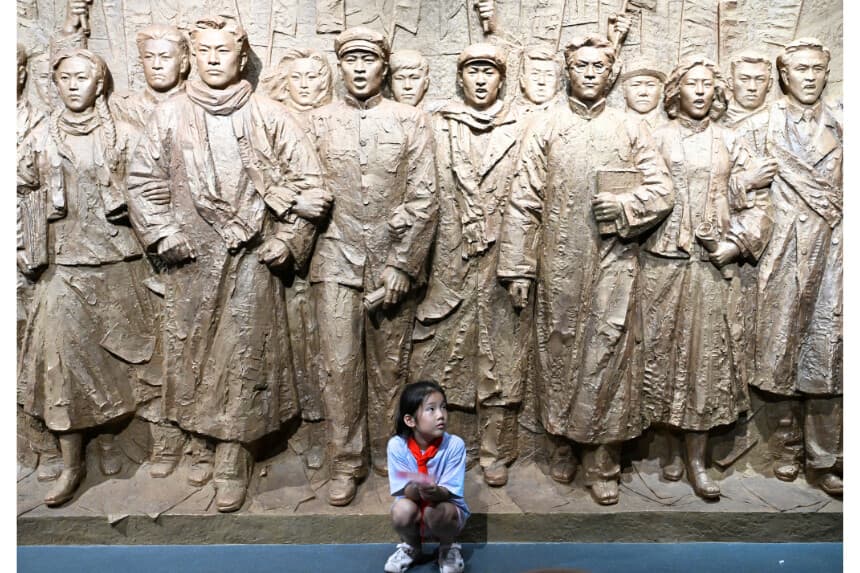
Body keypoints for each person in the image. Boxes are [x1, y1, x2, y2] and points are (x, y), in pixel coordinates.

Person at [126, 15, 331, 512]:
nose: (214, 59)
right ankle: (200, 438)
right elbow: (141, 180)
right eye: (206, 51)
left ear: (241, 60)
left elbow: (312, 186)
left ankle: (233, 455)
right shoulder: (169, 115)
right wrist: (164, 233)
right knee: (191, 355)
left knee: (244, 356)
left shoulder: (271, 115)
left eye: (224, 51)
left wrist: (289, 238)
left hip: (250, 261)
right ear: (192, 57)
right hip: (190, 262)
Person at [497, 34, 674, 505]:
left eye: (600, 66)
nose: (591, 73)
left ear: (612, 74)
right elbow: (522, 200)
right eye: (582, 65)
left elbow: (661, 190)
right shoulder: (546, 125)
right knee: (558, 349)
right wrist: (518, 267)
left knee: (608, 350)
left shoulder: (630, 129)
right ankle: (562, 444)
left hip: (615, 260)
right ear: (568, 71)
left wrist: (622, 206)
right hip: (558, 261)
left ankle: (603, 459)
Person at [18, 47, 160, 507]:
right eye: (65, 77)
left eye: (83, 77)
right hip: (62, 267)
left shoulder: (128, 135)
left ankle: (117, 445)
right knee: (61, 365)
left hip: (121, 264)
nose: (74, 85)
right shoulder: (37, 138)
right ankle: (72, 461)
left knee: (131, 361)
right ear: (54, 84)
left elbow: (154, 189)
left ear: (99, 85)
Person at [306, 26, 438, 506]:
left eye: (369, 59)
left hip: (391, 261)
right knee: (340, 366)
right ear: (339, 66)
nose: (360, 68)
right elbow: (305, 187)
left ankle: (391, 456)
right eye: (351, 59)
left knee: (389, 368)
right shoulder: (316, 122)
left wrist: (403, 266)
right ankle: (345, 460)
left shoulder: (410, 120)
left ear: (384, 66)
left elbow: (425, 196)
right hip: (335, 259)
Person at [641, 56, 773, 500]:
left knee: (704, 359)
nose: (699, 91)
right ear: (677, 89)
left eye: (707, 84)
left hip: (712, 266)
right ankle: (667, 451)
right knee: (660, 353)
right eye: (692, 83)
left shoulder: (730, 141)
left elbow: (760, 204)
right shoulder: (654, 136)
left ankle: (696, 459)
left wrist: (735, 244)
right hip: (661, 261)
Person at [411, 43, 528, 487]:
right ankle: (439, 451)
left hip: (503, 260)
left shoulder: (523, 126)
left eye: (489, 72)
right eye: (472, 71)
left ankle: (496, 452)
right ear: (460, 78)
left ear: (502, 78)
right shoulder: (436, 126)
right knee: (441, 356)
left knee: (499, 357)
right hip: (447, 259)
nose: (480, 80)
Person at [751, 38, 842, 495]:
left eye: (817, 69)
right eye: (800, 69)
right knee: (780, 351)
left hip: (833, 254)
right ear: (783, 75)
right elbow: (731, 187)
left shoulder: (845, 125)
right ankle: (784, 448)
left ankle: (824, 458)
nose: (808, 77)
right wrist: (744, 184)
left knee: (828, 353)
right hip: (781, 252)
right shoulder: (759, 126)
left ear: (827, 72)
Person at [385, 381, 468, 573]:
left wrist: (435, 490)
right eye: (431, 409)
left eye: (443, 407)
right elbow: (405, 491)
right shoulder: (397, 446)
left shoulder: (455, 445)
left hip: (443, 509)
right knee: (400, 509)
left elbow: (449, 492)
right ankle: (412, 547)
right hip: (414, 505)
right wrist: (418, 487)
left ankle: (448, 547)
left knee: (437, 512)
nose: (441, 415)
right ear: (410, 420)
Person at [620, 58, 666, 130]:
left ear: (661, 89)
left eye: (650, 85)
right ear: (624, 90)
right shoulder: (613, 126)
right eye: (635, 85)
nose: (643, 92)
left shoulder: (671, 127)